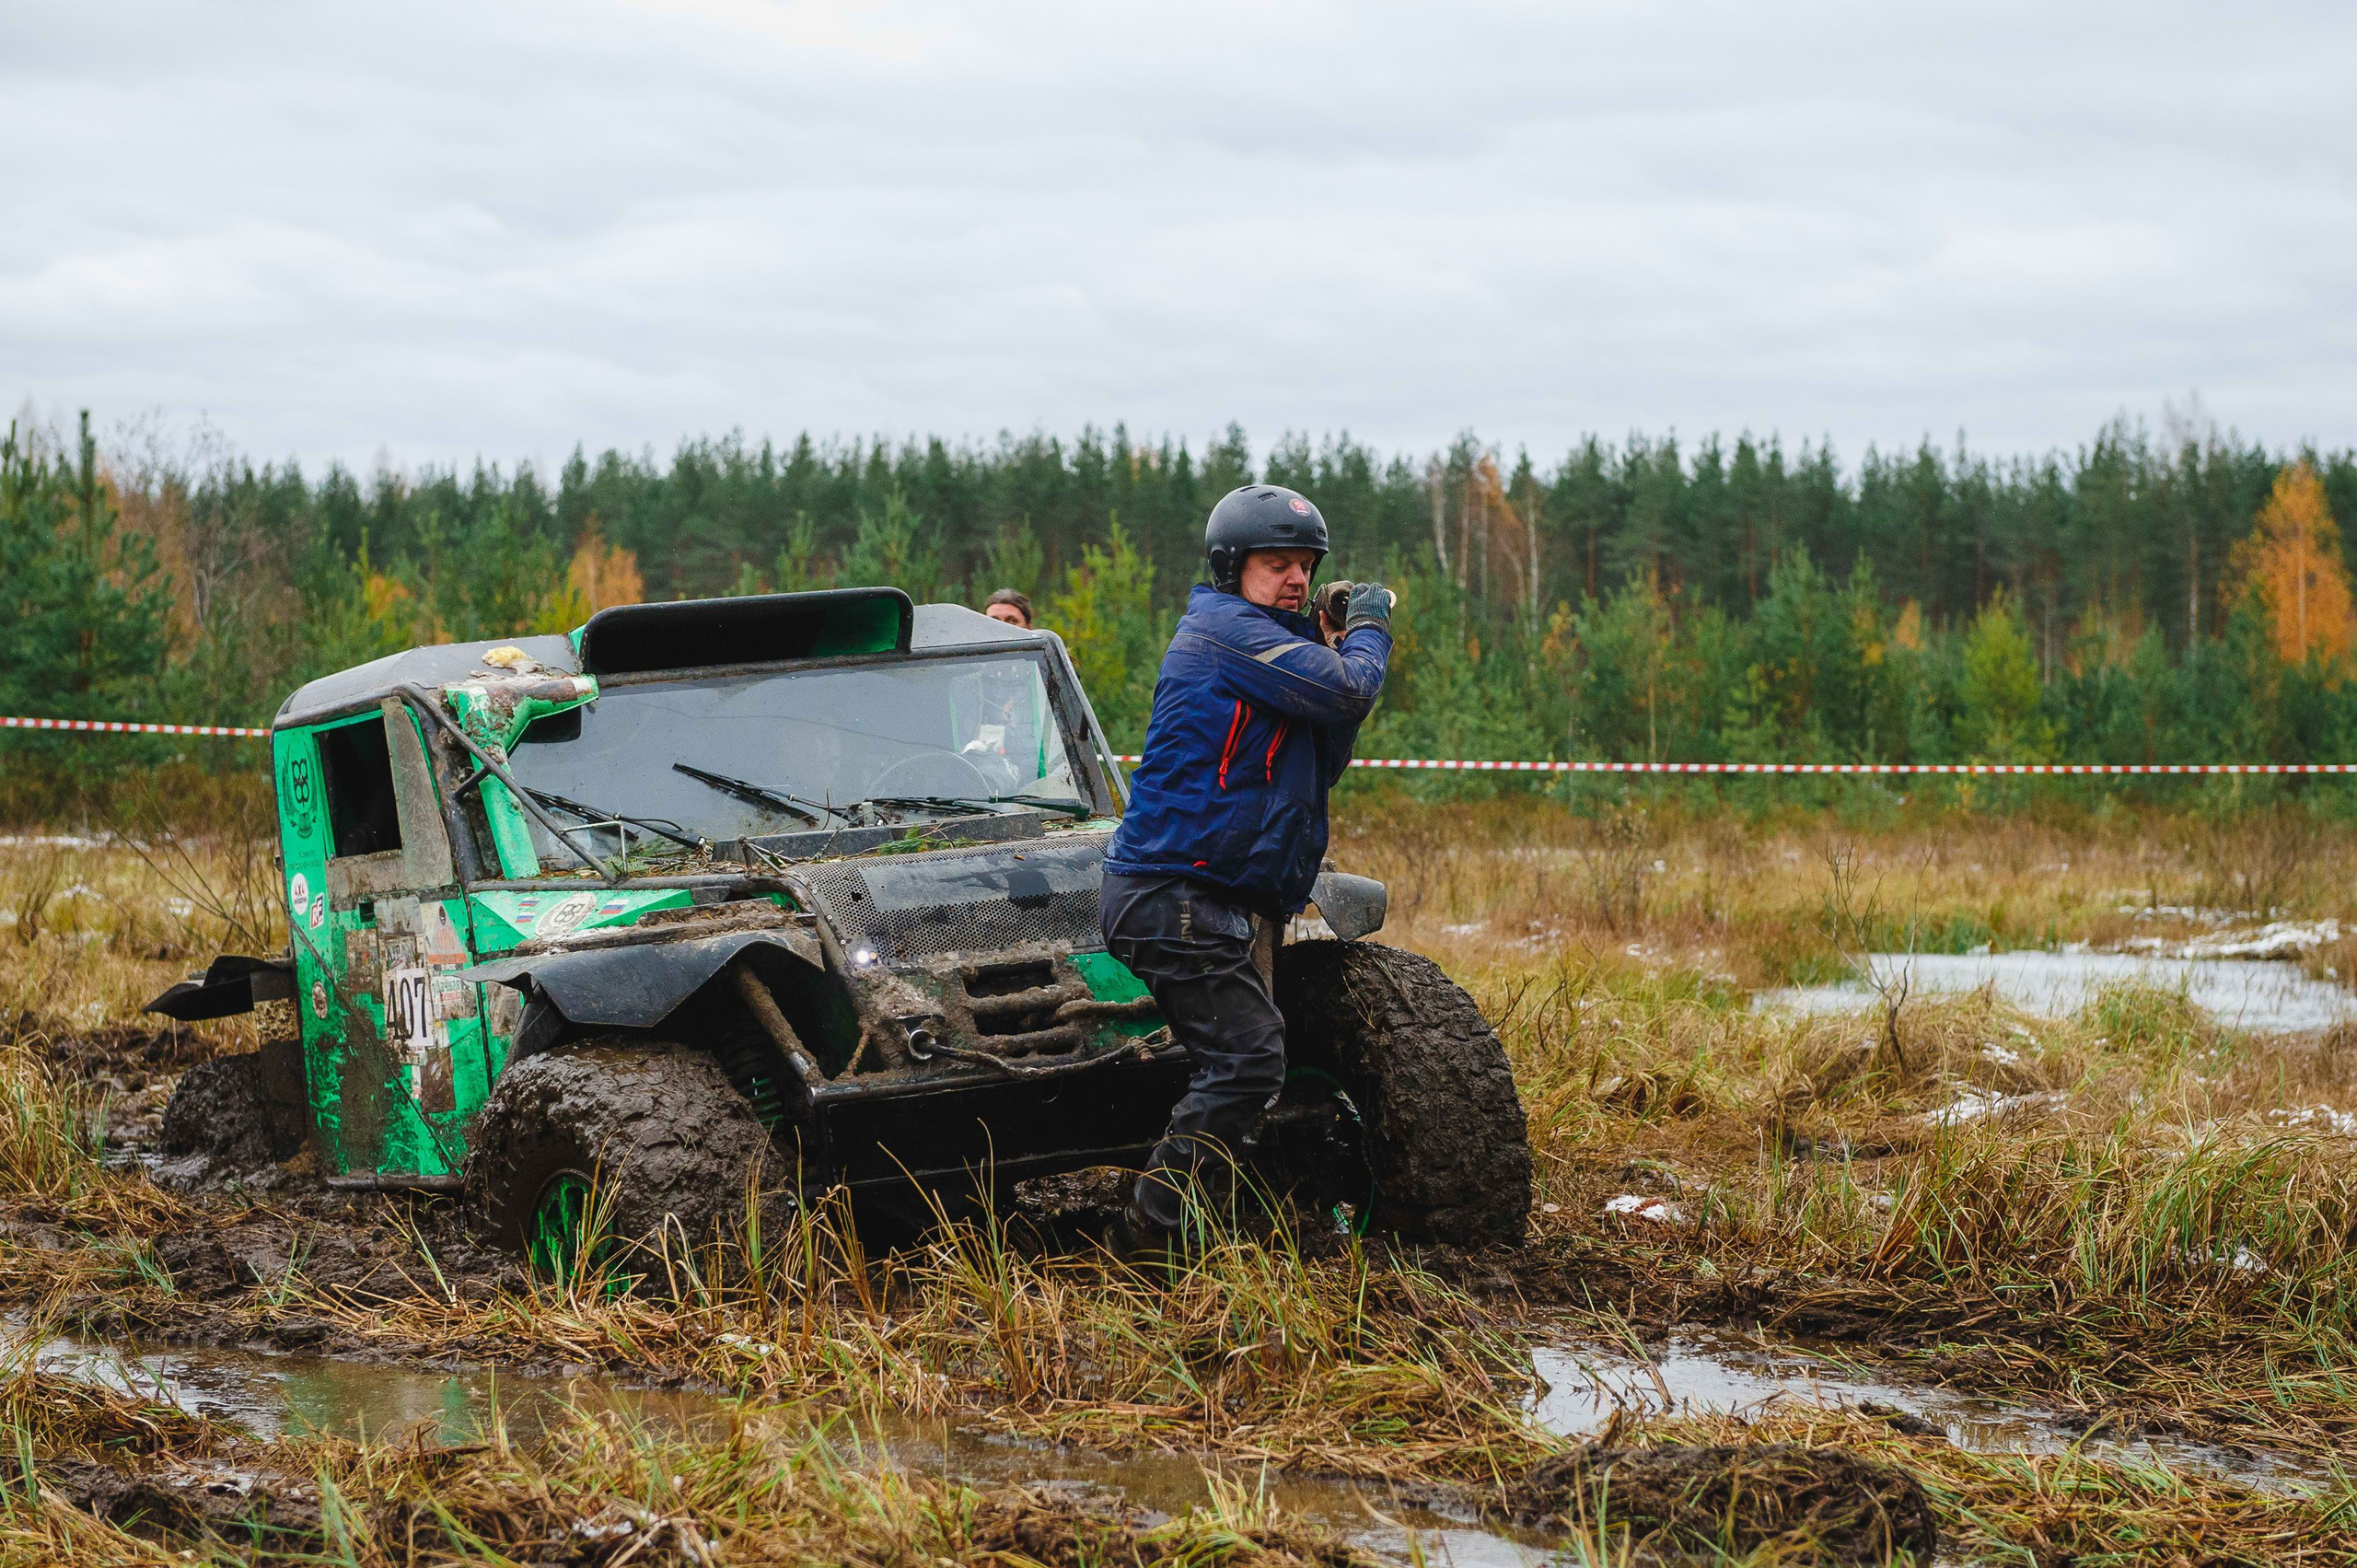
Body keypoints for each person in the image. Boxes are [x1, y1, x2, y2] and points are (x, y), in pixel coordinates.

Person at [1097, 483, 1395, 1249]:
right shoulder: (1227, 631)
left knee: (1242, 1061)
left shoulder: (1271, 646)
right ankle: (1146, 1239)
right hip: (1171, 890)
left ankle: (1211, 1218)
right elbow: (1353, 689)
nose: (1295, 578)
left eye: (1305, 565)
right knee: (1249, 1057)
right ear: (1234, 568)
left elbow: (1322, 752)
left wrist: (1328, 642)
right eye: (1277, 563)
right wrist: (1367, 628)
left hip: (1215, 893)